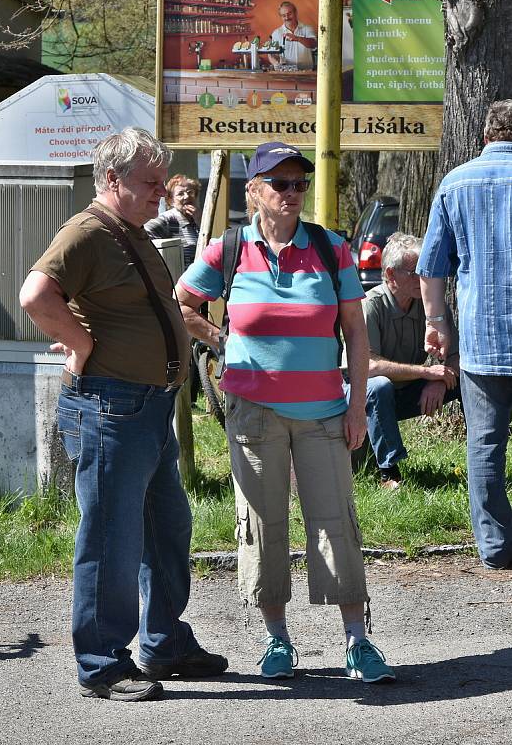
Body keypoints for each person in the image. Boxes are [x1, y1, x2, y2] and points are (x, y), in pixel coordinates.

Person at [19, 127, 227, 702]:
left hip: (148, 407)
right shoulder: (86, 232)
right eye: (151, 182)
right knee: (112, 538)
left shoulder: (128, 231)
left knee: (167, 528)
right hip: (110, 406)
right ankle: (102, 662)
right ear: (112, 180)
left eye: (163, 181)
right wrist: (79, 345)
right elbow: (35, 295)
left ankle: (162, 642)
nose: (162, 192)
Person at [176, 141, 396, 683]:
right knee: (262, 523)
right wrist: (218, 339)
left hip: (323, 411)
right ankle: (277, 641)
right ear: (254, 191)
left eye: (300, 182)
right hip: (253, 414)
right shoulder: (228, 249)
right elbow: (180, 303)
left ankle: (357, 641)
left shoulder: (331, 248)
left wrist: (357, 404)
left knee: (335, 522)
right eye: (281, 183)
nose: (293, 192)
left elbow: (355, 332)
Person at [417, 99, 512, 570]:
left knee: (485, 445)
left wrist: (437, 324)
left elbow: (432, 269)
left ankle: (496, 547)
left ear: (484, 136)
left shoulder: (456, 182)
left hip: (483, 340)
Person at [347, 232, 460, 489]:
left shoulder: (430, 306)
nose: (423, 278)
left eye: (425, 270)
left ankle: (482, 459)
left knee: (467, 380)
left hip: (407, 392)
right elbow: (368, 367)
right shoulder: (370, 305)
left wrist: (440, 382)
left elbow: (457, 357)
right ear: (390, 275)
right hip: (360, 397)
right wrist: (426, 372)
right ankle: (390, 471)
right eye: (415, 272)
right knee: (379, 386)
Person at [145, 174, 202, 269]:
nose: (186, 196)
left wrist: (200, 221)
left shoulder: (196, 219)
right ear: (171, 200)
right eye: (180, 194)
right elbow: (145, 233)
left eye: (190, 192)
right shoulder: (167, 220)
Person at [268, 1, 317, 70]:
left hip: (307, 72)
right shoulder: (276, 33)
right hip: (286, 73)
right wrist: (275, 63)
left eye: (289, 14)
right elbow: (271, 54)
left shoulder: (307, 28)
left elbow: (314, 44)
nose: (287, 17)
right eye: (283, 15)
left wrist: (298, 38)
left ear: (295, 13)